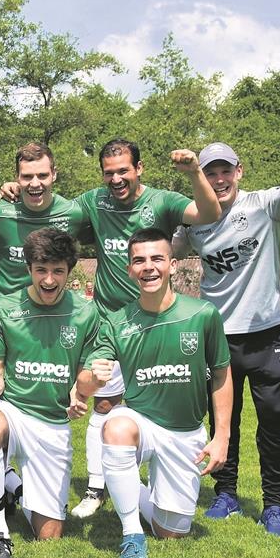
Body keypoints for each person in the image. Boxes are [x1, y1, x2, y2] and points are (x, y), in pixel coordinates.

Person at [174, 134, 280, 535]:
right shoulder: (194, 220)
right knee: (225, 421)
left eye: (227, 170)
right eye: (211, 173)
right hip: (218, 339)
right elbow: (156, 249)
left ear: (239, 172)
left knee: (274, 421)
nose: (220, 179)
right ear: (202, 180)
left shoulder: (264, 204)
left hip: (265, 338)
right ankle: (225, 494)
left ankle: (274, 503)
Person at [63, 139, 221, 519]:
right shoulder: (93, 201)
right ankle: (96, 487)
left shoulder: (163, 201)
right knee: (104, 404)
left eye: (123, 170)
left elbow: (209, 211)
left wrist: (194, 172)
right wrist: (20, 190)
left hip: (156, 322)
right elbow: (50, 209)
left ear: (140, 168)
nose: (116, 178)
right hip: (110, 321)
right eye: (109, 172)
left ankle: (150, 477)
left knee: (158, 402)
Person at [84, 228, 232, 558]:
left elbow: (222, 373)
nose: (148, 267)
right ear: (129, 269)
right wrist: (91, 380)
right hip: (141, 423)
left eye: (156, 259)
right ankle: (131, 534)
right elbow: (87, 380)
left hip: (185, 432)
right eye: (139, 260)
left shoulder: (202, 314)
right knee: (116, 426)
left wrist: (222, 435)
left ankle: (133, 492)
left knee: (172, 531)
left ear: (173, 264)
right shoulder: (118, 321)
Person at [0, 228, 101, 558]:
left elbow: (84, 373)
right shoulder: (3, 308)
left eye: (57, 270)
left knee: (49, 534)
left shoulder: (87, 313)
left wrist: (80, 392)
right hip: (12, 408)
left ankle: (11, 485)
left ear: (69, 271)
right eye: (41, 270)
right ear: (29, 268)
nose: (48, 279)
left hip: (53, 423)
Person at [0, 143, 91, 300]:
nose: (35, 184)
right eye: (27, 176)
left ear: (54, 174)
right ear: (17, 176)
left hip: (50, 313)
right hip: (2, 314)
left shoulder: (73, 213)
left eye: (42, 175)